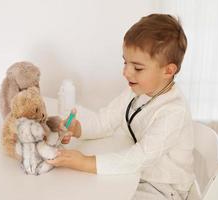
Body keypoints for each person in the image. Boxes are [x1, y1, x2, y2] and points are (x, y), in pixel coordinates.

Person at [47, 13, 195, 200]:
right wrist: (79, 129)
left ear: (168, 70)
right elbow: (105, 121)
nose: (126, 72)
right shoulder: (137, 91)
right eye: (125, 62)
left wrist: (85, 162)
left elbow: (139, 157)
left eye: (137, 68)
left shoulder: (174, 112)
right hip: (136, 173)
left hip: (163, 188)